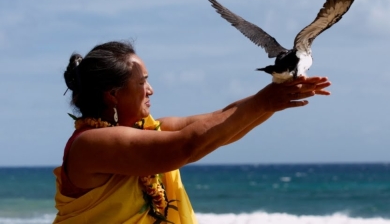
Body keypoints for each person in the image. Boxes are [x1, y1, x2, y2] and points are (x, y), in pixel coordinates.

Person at [53, 40, 331, 223]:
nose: (151, 90)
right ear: (113, 94)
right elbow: (186, 146)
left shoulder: (150, 131)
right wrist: (264, 101)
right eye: (143, 82)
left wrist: (275, 97)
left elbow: (221, 125)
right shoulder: (90, 144)